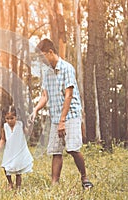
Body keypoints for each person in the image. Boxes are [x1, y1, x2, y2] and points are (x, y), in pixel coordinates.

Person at [30, 38, 93, 189]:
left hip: (70, 115)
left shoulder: (67, 68)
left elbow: (68, 95)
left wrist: (63, 121)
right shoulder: (47, 73)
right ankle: (54, 184)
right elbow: (45, 96)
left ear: (50, 52)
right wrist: (35, 109)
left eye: (42, 57)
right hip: (55, 116)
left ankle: (84, 178)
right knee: (55, 151)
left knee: (72, 148)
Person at [0, 106, 33, 190]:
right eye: (7, 118)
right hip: (9, 151)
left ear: (16, 117)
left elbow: (27, 133)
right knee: (5, 167)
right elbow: (3, 139)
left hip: (19, 150)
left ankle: (18, 187)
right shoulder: (5, 126)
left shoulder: (20, 124)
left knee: (18, 170)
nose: (9, 121)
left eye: (12, 118)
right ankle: (10, 183)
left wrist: (30, 124)